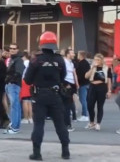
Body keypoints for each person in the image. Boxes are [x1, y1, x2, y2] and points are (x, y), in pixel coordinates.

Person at [24, 31, 70, 160]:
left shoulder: (36, 60)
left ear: (41, 44)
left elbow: (27, 79)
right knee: (60, 124)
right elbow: (63, 76)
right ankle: (65, 151)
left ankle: (37, 153)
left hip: (39, 96)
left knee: (38, 125)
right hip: (55, 95)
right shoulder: (59, 59)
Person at [84, 53, 112, 131]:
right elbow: (86, 76)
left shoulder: (106, 68)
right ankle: (92, 122)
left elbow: (109, 80)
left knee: (100, 106)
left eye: (98, 60)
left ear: (102, 60)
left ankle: (98, 123)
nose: (96, 61)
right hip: (92, 87)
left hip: (102, 87)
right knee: (90, 105)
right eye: (95, 59)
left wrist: (109, 90)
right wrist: (92, 67)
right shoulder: (92, 67)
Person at [4, 43, 25, 134]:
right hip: (12, 84)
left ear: (17, 49)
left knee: (14, 106)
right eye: (10, 48)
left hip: (14, 85)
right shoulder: (13, 59)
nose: (12, 50)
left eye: (14, 48)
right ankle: (15, 125)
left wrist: (10, 79)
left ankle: (15, 126)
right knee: (15, 106)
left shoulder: (18, 60)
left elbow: (19, 72)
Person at [62, 49, 79, 132]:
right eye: (72, 53)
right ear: (67, 54)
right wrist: (65, 84)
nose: (74, 54)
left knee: (68, 105)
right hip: (66, 85)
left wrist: (75, 84)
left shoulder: (71, 63)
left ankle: (67, 123)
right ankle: (67, 124)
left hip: (71, 85)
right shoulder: (64, 62)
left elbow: (73, 74)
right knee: (66, 106)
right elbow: (61, 73)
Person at [76, 51, 90, 122]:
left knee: (82, 99)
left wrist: (77, 82)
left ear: (81, 55)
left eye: (78, 54)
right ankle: (85, 113)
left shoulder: (80, 64)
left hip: (82, 84)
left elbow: (79, 75)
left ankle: (85, 115)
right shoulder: (87, 63)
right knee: (85, 99)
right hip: (87, 83)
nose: (77, 56)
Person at [21, 52, 33, 124]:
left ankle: (25, 118)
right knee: (29, 101)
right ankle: (30, 117)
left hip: (24, 81)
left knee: (25, 101)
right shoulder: (31, 63)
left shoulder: (24, 63)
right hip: (30, 81)